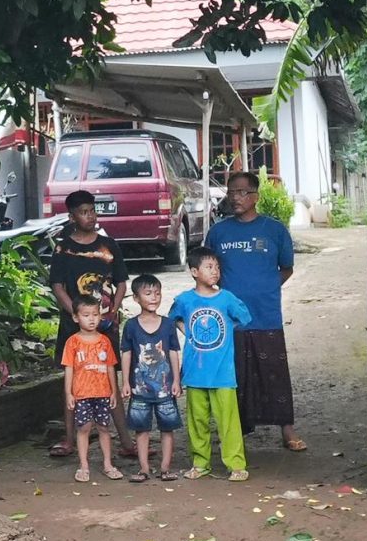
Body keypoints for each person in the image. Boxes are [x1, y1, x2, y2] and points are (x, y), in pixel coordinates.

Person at [205, 171, 307, 454]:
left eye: (241, 192)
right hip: (230, 319)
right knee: (235, 373)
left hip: (266, 314)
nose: (235, 198)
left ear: (255, 196)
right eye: (231, 192)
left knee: (273, 371)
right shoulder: (218, 232)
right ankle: (236, 429)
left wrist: (266, 289)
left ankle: (287, 429)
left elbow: (286, 267)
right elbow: (206, 270)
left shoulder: (274, 230)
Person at [43, 189, 118, 455]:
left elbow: (121, 282)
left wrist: (111, 313)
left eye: (92, 210)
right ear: (72, 216)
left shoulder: (109, 246)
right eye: (84, 212)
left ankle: (126, 441)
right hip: (71, 325)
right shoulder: (63, 249)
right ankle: (69, 439)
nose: (90, 216)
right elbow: (57, 285)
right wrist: (75, 314)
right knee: (72, 380)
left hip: (106, 323)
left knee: (110, 378)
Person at [169, 251, 254, 479]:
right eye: (209, 267)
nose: (215, 271)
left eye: (217, 267)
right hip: (195, 372)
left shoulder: (226, 298)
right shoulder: (185, 300)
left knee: (228, 421)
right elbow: (173, 317)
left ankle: (236, 465)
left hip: (223, 373)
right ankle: (200, 463)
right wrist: (189, 333)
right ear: (195, 272)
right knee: (197, 421)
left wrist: (225, 332)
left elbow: (243, 317)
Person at [117, 273, 183, 482]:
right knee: (141, 429)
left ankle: (165, 468)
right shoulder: (131, 326)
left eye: (157, 293)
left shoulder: (168, 324)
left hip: (165, 389)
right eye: (148, 293)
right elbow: (126, 353)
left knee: (167, 428)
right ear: (136, 298)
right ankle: (144, 468)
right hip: (139, 390)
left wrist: (176, 380)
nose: (154, 297)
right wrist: (125, 382)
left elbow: (173, 352)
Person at [61, 297, 121, 484]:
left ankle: (107, 464)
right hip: (82, 393)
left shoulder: (104, 341)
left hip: (102, 392)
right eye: (86, 315)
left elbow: (110, 366)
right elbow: (68, 368)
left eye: (95, 314)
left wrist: (113, 391)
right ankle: (84, 465)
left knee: (104, 428)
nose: (92, 319)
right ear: (76, 317)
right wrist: (69, 393)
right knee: (84, 428)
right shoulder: (72, 342)